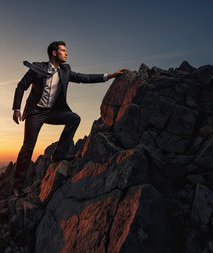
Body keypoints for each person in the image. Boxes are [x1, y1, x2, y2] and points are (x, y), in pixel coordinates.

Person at [11, 41, 127, 197]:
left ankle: (59, 153)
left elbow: (84, 78)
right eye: (63, 50)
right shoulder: (37, 67)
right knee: (28, 147)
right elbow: (21, 86)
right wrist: (16, 109)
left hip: (52, 112)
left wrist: (109, 76)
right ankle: (18, 186)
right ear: (54, 53)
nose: (67, 53)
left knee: (74, 118)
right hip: (35, 112)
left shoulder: (65, 70)